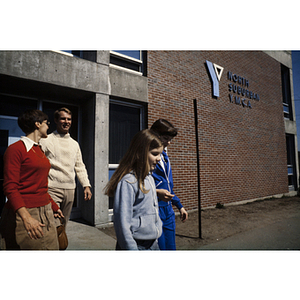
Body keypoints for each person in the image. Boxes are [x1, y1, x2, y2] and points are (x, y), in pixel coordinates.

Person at [0, 109, 64, 250]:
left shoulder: (39, 150)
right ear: (37, 124)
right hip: (25, 212)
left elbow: (39, 185)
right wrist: (27, 218)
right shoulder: (16, 149)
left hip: (45, 211)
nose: (48, 127)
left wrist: (53, 205)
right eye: (46, 123)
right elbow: (10, 187)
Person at [104, 129, 163, 250]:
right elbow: (122, 225)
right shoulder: (128, 182)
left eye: (160, 154)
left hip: (153, 244)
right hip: (136, 245)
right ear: (140, 153)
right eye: (155, 154)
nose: (159, 159)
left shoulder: (150, 179)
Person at [40, 107, 92, 228]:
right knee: (52, 224)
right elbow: (39, 164)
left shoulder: (74, 144)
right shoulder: (46, 140)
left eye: (69, 119)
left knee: (63, 224)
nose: (66, 121)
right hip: (52, 189)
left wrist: (86, 185)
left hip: (70, 189)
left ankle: (60, 247)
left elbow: (80, 166)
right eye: (63, 119)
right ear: (56, 120)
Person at [150, 119, 188, 250]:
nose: (169, 142)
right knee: (160, 248)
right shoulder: (147, 158)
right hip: (154, 210)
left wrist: (179, 205)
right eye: (166, 138)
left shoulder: (165, 156)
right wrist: (155, 192)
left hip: (168, 211)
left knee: (171, 248)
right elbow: (139, 186)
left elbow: (168, 187)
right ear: (155, 135)